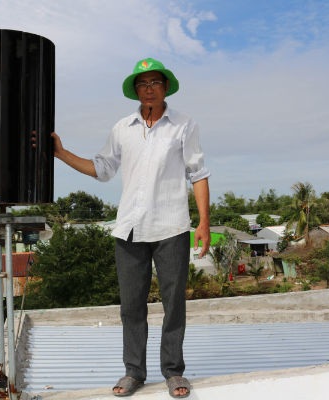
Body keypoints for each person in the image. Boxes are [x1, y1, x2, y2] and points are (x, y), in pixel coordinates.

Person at [52, 57, 210, 398]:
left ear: (166, 87)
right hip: (130, 229)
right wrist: (62, 154)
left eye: (155, 82)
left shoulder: (184, 125)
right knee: (131, 306)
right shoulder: (122, 128)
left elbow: (197, 174)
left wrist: (204, 222)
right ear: (135, 90)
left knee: (173, 303)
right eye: (143, 83)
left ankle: (173, 371)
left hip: (171, 227)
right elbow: (102, 169)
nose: (149, 89)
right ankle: (134, 372)